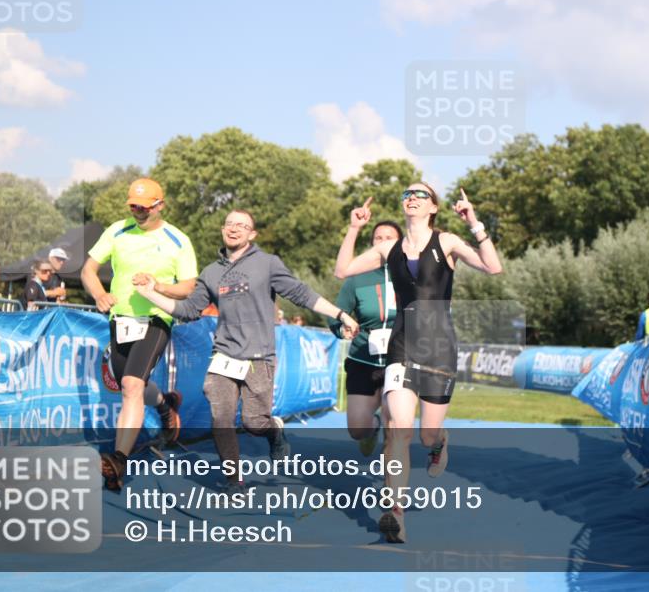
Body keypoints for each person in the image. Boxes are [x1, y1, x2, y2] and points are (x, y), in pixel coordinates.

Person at [135, 209, 359, 489]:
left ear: (252, 234)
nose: (234, 228)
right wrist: (151, 295)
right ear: (222, 230)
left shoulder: (267, 264)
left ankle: (274, 431)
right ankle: (234, 479)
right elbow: (189, 310)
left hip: (258, 358)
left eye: (241, 225)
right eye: (229, 224)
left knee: (254, 422)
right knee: (221, 417)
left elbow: (302, 295)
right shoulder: (211, 272)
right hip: (223, 356)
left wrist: (341, 315)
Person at [334, 183, 503, 542]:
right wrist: (354, 229)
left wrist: (474, 222)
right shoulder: (387, 248)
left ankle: (439, 440)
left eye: (420, 195)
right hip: (402, 344)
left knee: (425, 434)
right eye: (407, 194)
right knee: (398, 427)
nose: (411, 198)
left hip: (439, 346)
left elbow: (493, 267)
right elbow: (342, 270)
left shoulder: (447, 242)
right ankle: (395, 512)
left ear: (434, 207)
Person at [81, 178, 198, 491]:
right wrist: (99, 294)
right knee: (130, 387)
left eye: (144, 207)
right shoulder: (117, 230)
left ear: (160, 204)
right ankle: (164, 404)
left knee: (132, 385)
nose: (138, 212)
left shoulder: (178, 239)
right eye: (133, 206)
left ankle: (118, 459)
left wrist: (157, 286)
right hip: (121, 320)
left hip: (156, 319)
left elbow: (188, 286)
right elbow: (88, 270)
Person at [329, 220, 402, 457]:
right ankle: (373, 428)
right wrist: (342, 329)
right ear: (372, 244)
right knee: (357, 429)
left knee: (397, 427)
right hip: (363, 359)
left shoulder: (412, 275)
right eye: (378, 238)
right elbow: (336, 315)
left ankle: (391, 487)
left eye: (389, 238)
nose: (383, 242)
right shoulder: (357, 278)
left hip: (400, 360)